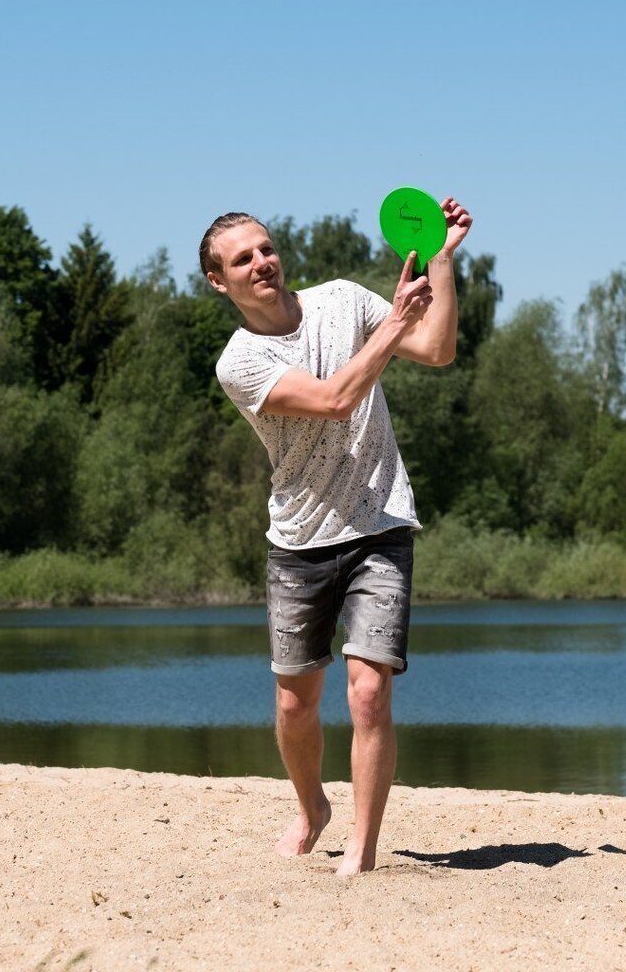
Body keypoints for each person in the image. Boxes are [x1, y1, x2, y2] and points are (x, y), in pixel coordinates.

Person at [202, 198, 472, 876]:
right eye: (243, 259)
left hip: (380, 522)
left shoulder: (343, 301)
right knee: (296, 701)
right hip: (299, 539)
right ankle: (311, 807)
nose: (261, 262)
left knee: (369, 691)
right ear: (219, 282)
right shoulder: (240, 362)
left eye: (265, 248)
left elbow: (436, 349)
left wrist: (439, 259)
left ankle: (362, 848)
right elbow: (332, 399)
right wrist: (391, 328)